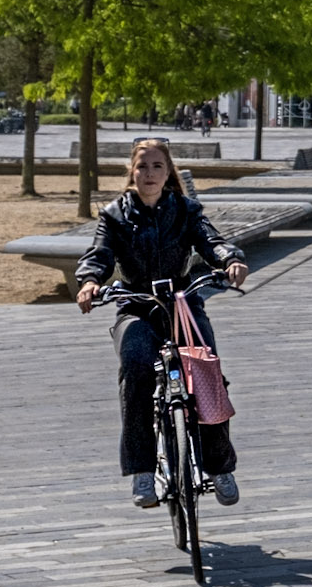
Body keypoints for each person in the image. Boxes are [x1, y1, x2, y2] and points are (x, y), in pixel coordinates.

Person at [75, 139, 249, 508]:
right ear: (131, 172)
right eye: (142, 167)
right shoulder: (114, 215)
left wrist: (229, 260)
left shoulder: (186, 210)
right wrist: (90, 281)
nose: (149, 174)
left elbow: (210, 240)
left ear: (168, 172)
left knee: (206, 372)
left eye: (157, 166)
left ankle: (219, 467)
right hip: (137, 306)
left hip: (183, 303)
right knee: (136, 368)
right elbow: (100, 254)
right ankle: (142, 470)